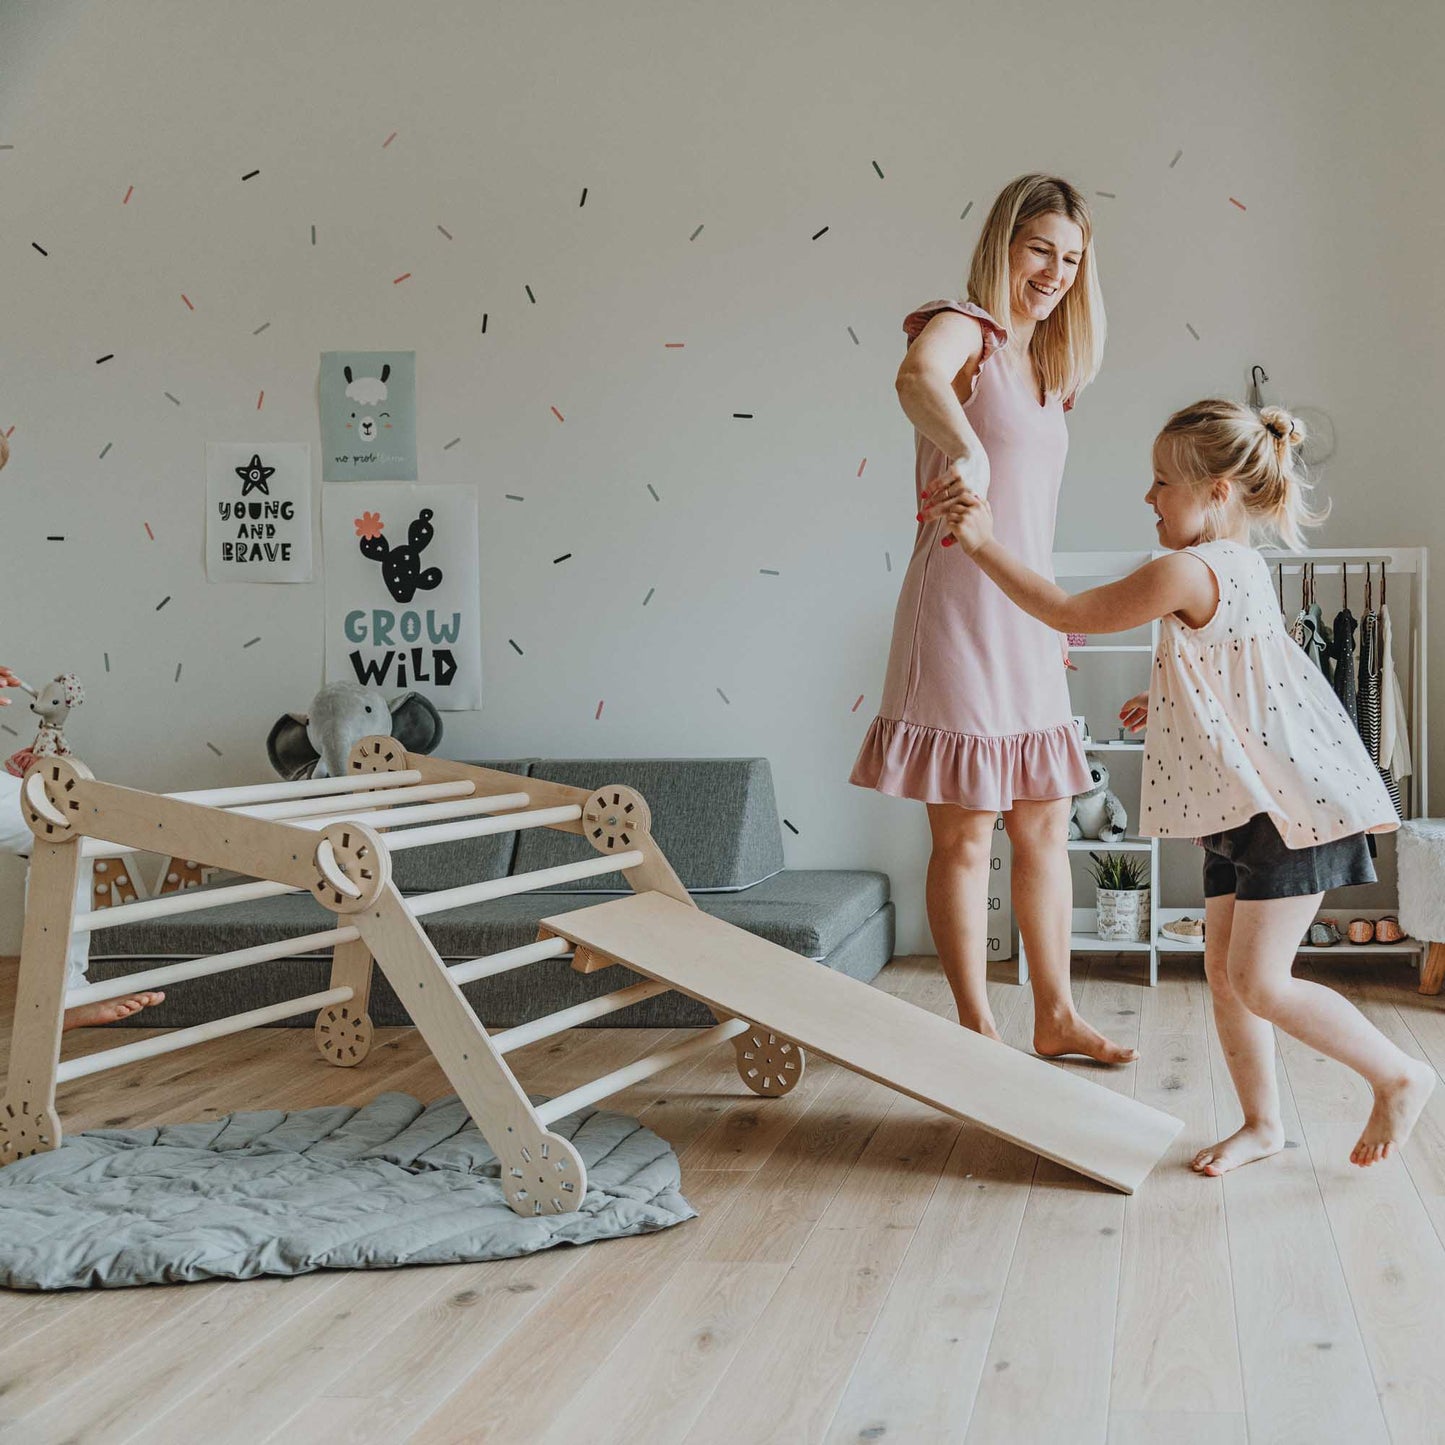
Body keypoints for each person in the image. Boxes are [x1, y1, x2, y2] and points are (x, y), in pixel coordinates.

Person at [938, 399, 1436, 1169]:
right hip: (1239, 805)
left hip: (1285, 810)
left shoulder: (1186, 567)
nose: (1148, 497)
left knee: (1258, 981)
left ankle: (1398, 1072)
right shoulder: (1236, 565)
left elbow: (1069, 610)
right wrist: (1164, 697)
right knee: (1224, 974)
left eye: (1161, 482)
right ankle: (1262, 1124)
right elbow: (1239, 673)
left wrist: (978, 542)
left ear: (1215, 493)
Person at [851, 174, 1133, 1063]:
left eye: (1072, 258)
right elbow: (913, 376)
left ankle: (1054, 1015)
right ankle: (976, 1028)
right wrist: (966, 445)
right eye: (1041, 248)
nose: (1054, 271)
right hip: (957, 611)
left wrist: (1051, 620)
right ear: (1005, 243)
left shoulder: (1052, 368)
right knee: (967, 829)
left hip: (1023, 612)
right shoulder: (961, 328)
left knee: (1045, 820)